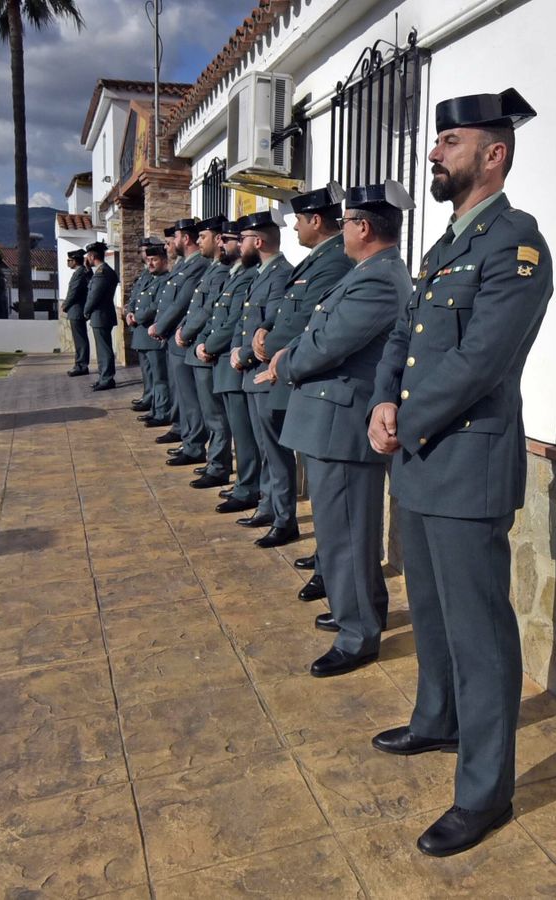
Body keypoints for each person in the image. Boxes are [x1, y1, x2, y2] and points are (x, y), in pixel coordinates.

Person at [366, 88, 553, 858]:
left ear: (493, 153)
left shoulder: (517, 247)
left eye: (449, 141)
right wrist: (382, 401)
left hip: (467, 463)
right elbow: (403, 338)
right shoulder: (444, 247)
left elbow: (482, 362)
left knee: (479, 632)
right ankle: (436, 718)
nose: (435, 154)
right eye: (439, 142)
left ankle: (484, 794)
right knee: (435, 612)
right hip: (417, 460)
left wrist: (403, 418)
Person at [265, 181, 411, 677]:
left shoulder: (376, 279)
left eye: (346, 222)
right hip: (334, 419)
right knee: (349, 531)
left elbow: (327, 343)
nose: (341, 229)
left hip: (342, 422)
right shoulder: (371, 272)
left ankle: (358, 635)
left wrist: (284, 363)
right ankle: (363, 610)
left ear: (363, 227)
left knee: (344, 532)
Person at [248, 184, 352, 549]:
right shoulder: (317, 258)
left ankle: (324, 557)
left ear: (316, 220)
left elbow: (308, 320)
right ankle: (309, 544)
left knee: (323, 484)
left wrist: (268, 346)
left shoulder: (336, 260)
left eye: (298, 221)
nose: (294, 229)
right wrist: (263, 330)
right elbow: (284, 310)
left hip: (302, 374)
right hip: (286, 368)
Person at [228, 210, 294, 526]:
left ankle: (282, 517)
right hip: (252, 375)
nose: (239, 246)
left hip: (266, 373)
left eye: (243, 239)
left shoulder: (281, 274)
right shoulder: (261, 273)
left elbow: (274, 326)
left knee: (275, 450)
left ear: (258, 240)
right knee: (264, 446)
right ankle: (268, 505)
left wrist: (246, 355)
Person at [201, 215, 264, 512]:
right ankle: (244, 483)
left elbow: (233, 323)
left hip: (233, 360)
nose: (226, 245)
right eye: (227, 240)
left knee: (244, 432)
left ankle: (249, 486)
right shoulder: (234, 273)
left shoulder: (249, 275)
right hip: (224, 361)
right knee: (239, 430)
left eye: (232, 240)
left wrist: (209, 346)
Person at [177, 215, 235, 483]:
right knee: (208, 412)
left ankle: (219, 467)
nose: (199, 241)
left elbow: (208, 309)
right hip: (197, 347)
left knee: (215, 415)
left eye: (203, 236)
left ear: (217, 237)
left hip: (205, 349)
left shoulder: (221, 270)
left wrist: (187, 332)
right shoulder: (214, 268)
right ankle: (215, 460)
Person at [150, 218, 210, 455]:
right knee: (183, 397)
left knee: (191, 400)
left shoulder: (198, 266)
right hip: (174, 339)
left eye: (173, 238)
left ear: (185, 238)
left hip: (184, 338)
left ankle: (194, 446)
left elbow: (182, 303)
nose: (169, 244)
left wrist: (160, 327)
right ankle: (188, 440)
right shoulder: (184, 265)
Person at [129, 238, 171, 422]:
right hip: (141, 334)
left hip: (152, 335)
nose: (150, 263)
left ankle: (162, 412)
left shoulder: (165, 280)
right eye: (148, 260)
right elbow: (135, 297)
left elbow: (156, 306)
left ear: (164, 259)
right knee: (149, 376)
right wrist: (129, 312)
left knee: (160, 377)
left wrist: (137, 317)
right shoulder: (147, 278)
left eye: (154, 259)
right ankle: (154, 408)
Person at [84, 240, 120, 391]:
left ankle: (106, 378)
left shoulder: (102, 273)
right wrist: (87, 271)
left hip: (101, 315)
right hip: (102, 315)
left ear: (92, 256)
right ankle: (103, 377)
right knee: (102, 348)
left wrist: (86, 311)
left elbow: (94, 296)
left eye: (88, 257)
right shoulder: (102, 271)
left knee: (104, 349)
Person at [62, 248, 92, 376]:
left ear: (75, 261)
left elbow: (73, 292)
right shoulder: (82, 272)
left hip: (76, 310)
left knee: (80, 340)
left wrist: (65, 305)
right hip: (76, 310)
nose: (68, 263)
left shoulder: (79, 273)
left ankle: (81, 365)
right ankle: (80, 364)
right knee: (80, 339)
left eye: (69, 260)